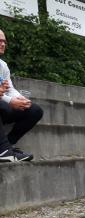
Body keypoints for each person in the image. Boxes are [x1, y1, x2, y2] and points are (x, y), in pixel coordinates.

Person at [0, 29, 43, 162]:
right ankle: (3, 151)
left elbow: (10, 88)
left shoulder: (3, 66)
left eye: (4, 42)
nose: (2, 44)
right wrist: (10, 101)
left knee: (34, 110)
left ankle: (8, 145)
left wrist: (21, 99)